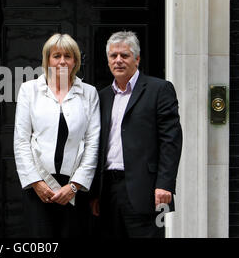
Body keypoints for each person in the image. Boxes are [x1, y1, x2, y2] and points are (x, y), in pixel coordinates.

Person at [89, 31, 182, 238]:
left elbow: (171, 140)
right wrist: (95, 192)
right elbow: (97, 145)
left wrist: (165, 184)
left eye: (125, 55)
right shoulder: (102, 96)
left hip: (148, 191)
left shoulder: (160, 89)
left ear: (137, 59)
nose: (118, 60)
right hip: (109, 192)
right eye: (113, 56)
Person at [13, 33, 100, 237]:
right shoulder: (29, 90)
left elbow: (92, 143)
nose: (62, 61)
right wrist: (36, 182)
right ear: (47, 60)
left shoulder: (89, 93)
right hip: (38, 187)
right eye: (56, 55)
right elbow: (21, 140)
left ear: (75, 61)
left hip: (74, 188)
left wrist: (75, 185)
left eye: (68, 56)